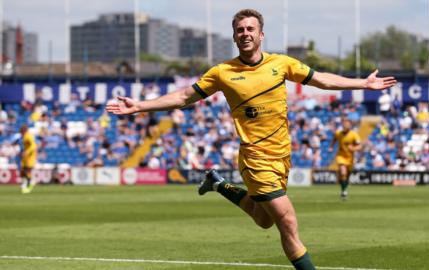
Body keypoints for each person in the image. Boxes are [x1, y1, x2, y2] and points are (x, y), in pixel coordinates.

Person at [106, 9, 396, 270]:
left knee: (263, 218)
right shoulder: (223, 72)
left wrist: (363, 84)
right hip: (255, 159)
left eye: (250, 29)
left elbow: (321, 79)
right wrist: (141, 106)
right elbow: (184, 96)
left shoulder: (281, 64)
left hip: (282, 156)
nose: (245, 34)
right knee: (288, 222)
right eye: (239, 30)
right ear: (234, 36)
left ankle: (218, 184)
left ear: (261, 34)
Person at [329, 118, 361, 199]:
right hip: (341, 156)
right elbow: (334, 139)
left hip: (350, 158)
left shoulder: (354, 135)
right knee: (343, 172)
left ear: (350, 125)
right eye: (344, 124)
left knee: (347, 175)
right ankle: (343, 192)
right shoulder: (338, 133)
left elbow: (359, 146)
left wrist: (353, 148)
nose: (345, 125)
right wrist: (331, 147)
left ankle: (344, 187)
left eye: (347, 124)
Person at [19, 124, 37, 194]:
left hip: (30, 156)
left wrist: (27, 152)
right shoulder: (25, 136)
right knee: (23, 170)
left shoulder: (28, 136)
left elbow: (33, 145)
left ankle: (29, 184)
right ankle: (25, 183)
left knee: (27, 170)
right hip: (26, 156)